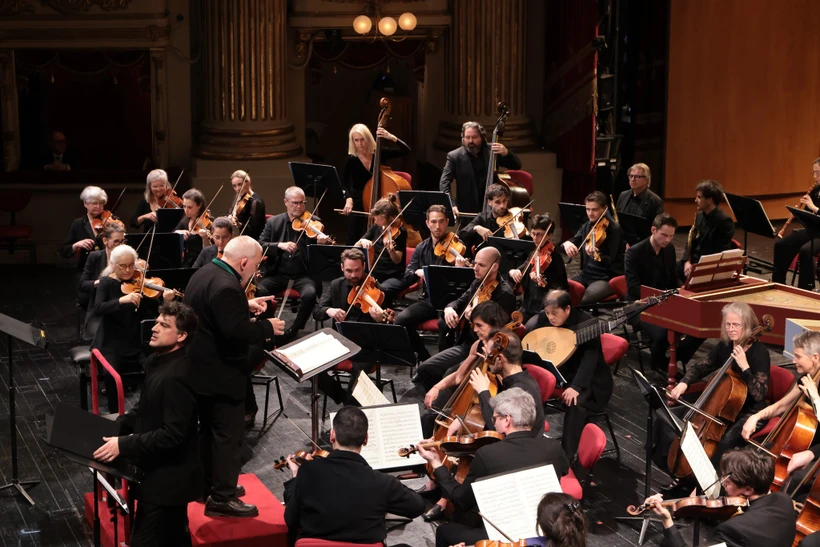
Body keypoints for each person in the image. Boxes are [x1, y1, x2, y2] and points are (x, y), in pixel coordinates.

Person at [183, 236, 286, 518]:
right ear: (243, 262)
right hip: (221, 372)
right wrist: (268, 327)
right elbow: (235, 332)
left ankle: (208, 486)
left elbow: (216, 313)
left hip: (199, 368)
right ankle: (223, 497)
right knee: (228, 435)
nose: (255, 272)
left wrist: (245, 306)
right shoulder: (228, 285)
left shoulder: (205, 272)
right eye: (254, 266)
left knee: (208, 432)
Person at [93, 302, 201, 547]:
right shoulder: (158, 361)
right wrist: (114, 428)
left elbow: (174, 434)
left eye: (164, 325)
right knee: (174, 538)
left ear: (182, 336)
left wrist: (124, 444)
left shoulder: (178, 376)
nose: (154, 328)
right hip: (156, 474)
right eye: (157, 322)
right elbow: (145, 408)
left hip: (167, 482)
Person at [421, 330, 548, 523]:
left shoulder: (520, 389)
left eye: (490, 356)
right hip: (511, 441)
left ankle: (455, 498)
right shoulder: (514, 380)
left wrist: (482, 391)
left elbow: (497, 428)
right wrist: (462, 418)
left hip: (518, 453)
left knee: (479, 455)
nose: (487, 361)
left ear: (501, 359)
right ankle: (445, 493)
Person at [417, 387, 569, 547]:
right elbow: (563, 471)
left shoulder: (488, 454)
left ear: (507, 420)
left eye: (495, 418)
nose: (493, 423)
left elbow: (461, 500)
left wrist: (435, 462)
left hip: (504, 535)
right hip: (544, 528)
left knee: (445, 530)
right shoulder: (554, 447)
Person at [283, 406, 425, 545]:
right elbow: (417, 506)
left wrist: (296, 478)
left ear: (332, 435)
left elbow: (291, 520)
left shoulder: (308, 471)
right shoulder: (383, 482)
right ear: (366, 439)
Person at [667, 303, 769, 462]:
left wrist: (745, 367)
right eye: (728, 324)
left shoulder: (760, 353)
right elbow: (702, 366)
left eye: (736, 325)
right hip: (722, 406)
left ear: (748, 326)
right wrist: (683, 383)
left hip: (748, 411)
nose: (731, 329)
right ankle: (682, 471)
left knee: (725, 442)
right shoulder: (726, 345)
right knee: (675, 418)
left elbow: (759, 395)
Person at [645, 447, 795, 547]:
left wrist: (666, 520)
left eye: (727, 483)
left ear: (748, 489)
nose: (723, 485)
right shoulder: (785, 500)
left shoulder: (734, 530)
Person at [91, 245, 175, 413]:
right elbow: (98, 308)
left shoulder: (141, 283)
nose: (129, 270)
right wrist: (121, 301)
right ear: (113, 265)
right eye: (123, 266)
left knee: (156, 372)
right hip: (111, 340)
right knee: (111, 376)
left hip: (136, 340)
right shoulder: (106, 283)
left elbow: (155, 310)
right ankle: (116, 413)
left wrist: (167, 302)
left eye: (132, 265)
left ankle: (149, 410)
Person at [529, 290, 612, 458]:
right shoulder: (544, 318)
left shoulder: (587, 323)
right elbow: (537, 341)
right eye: (547, 312)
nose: (550, 317)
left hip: (589, 380)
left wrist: (576, 386)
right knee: (528, 386)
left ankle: (566, 456)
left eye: (555, 313)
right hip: (560, 372)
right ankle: (528, 443)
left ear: (567, 309)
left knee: (575, 402)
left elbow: (590, 359)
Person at [424, 247, 515, 388]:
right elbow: (460, 301)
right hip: (466, 345)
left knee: (449, 375)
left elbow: (496, 331)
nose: (475, 268)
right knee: (426, 368)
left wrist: (474, 318)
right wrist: (449, 308)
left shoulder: (504, 294)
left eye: (482, 265)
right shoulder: (478, 283)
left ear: (495, 266)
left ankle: (444, 403)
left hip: (482, 351)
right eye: (475, 263)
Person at [312, 248, 390, 405]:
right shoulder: (336, 285)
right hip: (340, 342)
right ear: (342, 268)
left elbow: (390, 324)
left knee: (359, 371)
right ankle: (341, 396)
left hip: (367, 346)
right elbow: (317, 311)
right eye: (349, 271)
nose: (354, 275)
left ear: (364, 267)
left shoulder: (378, 289)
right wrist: (330, 310)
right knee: (312, 366)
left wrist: (379, 319)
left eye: (357, 270)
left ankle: (348, 409)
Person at [419, 301, 512, 431]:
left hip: (495, 413)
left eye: (479, 325)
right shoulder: (478, 344)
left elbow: (510, 385)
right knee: (428, 419)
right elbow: (458, 376)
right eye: (474, 325)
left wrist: (493, 366)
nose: (474, 329)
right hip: (471, 406)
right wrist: (436, 387)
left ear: (493, 324)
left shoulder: (505, 350)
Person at [624, 213, 696, 374]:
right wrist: (659, 296)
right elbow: (634, 287)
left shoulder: (668, 249)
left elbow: (672, 278)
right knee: (666, 332)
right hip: (638, 305)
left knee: (695, 327)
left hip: (663, 301)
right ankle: (658, 362)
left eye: (671, 236)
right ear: (653, 230)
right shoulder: (634, 252)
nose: (667, 240)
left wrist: (683, 289)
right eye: (664, 235)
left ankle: (672, 359)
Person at [258, 186, 328, 340]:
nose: (299, 207)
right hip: (278, 274)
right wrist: (279, 246)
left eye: (302, 203)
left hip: (303, 275)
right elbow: (260, 246)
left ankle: (294, 329)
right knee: (260, 290)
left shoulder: (314, 223)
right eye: (295, 203)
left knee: (310, 294)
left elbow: (323, 256)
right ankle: (270, 324)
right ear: (286, 202)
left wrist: (322, 244)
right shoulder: (274, 222)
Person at [742, 330, 820, 467]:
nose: (793, 360)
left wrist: (815, 397)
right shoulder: (806, 379)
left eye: (798, 356)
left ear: (815, 357)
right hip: (795, 443)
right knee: (749, 457)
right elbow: (781, 406)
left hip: (814, 451)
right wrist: (756, 417)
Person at [393, 204, 455, 362]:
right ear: (427, 223)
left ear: (447, 222)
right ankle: (425, 359)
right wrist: (418, 272)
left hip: (451, 301)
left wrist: (460, 266)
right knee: (399, 322)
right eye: (433, 222)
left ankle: (443, 366)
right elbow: (407, 276)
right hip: (430, 300)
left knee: (445, 324)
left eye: (441, 221)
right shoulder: (421, 248)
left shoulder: (458, 247)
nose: (438, 226)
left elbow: (468, 278)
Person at [340, 124, 410, 245]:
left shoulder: (379, 153)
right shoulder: (351, 159)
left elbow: (406, 151)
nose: (360, 143)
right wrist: (348, 199)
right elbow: (343, 183)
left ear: (368, 138)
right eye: (356, 140)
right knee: (352, 238)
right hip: (358, 202)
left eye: (362, 139)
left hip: (380, 202)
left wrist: (391, 137)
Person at [440, 121, 522, 217]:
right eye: (467, 137)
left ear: (482, 137)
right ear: (463, 138)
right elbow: (444, 182)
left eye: (474, 137)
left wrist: (506, 153)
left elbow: (517, 165)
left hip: (493, 210)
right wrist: (451, 205)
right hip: (467, 210)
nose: (470, 141)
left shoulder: (493, 150)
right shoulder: (454, 156)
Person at [561, 191, 625, 304]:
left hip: (606, 277)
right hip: (586, 274)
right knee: (561, 293)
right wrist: (567, 243)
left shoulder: (614, 229)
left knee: (582, 300)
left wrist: (597, 255)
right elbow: (573, 241)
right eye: (588, 209)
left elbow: (610, 261)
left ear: (605, 209)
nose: (590, 213)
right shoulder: (587, 225)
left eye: (594, 210)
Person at [508, 213, 568, 329]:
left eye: (539, 235)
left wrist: (543, 283)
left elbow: (561, 289)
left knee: (527, 330)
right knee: (510, 327)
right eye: (533, 234)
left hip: (543, 309)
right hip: (528, 306)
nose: (535, 238)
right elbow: (522, 269)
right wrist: (513, 271)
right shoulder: (534, 252)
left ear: (549, 235)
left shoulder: (555, 258)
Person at [772, 158, 820, 290]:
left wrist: (813, 207)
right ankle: (778, 283)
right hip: (813, 230)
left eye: (818, 173)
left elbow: (815, 210)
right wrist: (798, 213)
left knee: (806, 251)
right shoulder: (816, 190)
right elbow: (808, 216)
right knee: (781, 244)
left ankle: (805, 288)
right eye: (814, 173)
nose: (815, 177)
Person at [354, 193, 408, 305]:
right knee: (352, 286)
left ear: (391, 218)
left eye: (380, 219)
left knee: (379, 291)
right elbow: (355, 246)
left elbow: (397, 260)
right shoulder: (376, 227)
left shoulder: (400, 232)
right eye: (375, 217)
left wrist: (391, 250)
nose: (376, 220)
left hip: (394, 276)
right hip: (375, 273)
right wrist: (362, 241)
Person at [679, 179, 735, 281]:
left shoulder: (724, 222)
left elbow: (719, 253)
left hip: (707, 267)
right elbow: (690, 242)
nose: (696, 200)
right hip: (692, 263)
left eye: (699, 197)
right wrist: (686, 261)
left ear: (709, 200)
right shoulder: (699, 216)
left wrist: (696, 268)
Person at [79, 221, 126, 337]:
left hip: (121, 307)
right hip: (98, 308)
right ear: (105, 241)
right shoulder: (95, 257)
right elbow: (83, 285)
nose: (120, 245)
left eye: (122, 241)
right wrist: (101, 282)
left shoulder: (127, 257)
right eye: (116, 242)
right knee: (102, 334)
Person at [458, 183, 528, 253]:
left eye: (504, 201)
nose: (502, 206)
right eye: (498, 202)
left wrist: (517, 241)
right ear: (489, 202)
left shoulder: (514, 217)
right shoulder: (482, 218)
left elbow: (527, 243)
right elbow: (462, 235)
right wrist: (477, 228)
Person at [59, 185, 108, 271]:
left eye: (101, 203)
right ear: (85, 204)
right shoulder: (78, 223)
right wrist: (76, 245)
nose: (98, 206)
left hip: (107, 266)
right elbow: (64, 250)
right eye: (94, 203)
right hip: (85, 268)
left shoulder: (111, 221)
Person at [615, 163, 664, 246]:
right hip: (622, 242)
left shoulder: (655, 201)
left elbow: (656, 229)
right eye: (631, 176)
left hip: (642, 244)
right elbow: (617, 220)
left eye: (637, 177)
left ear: (646, 179)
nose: (633, 179)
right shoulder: (623, 195)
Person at [174, 188, 211, 268]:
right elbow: (171, 236)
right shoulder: (184, 222)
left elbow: (210, 249)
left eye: (190, 207)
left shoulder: (209, 222)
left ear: (199, 205)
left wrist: (205, 238)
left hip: (203, 263)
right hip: (187, 263)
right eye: (184, 206)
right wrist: (178, 233)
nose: (186, 210)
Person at [227, 170, 266, 240]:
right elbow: (231, 211)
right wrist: (230, 216)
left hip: (255, 240)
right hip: (243, 237)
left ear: (248, 182)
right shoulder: (240, 197)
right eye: (234, 186)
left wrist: (239, 224)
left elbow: (254, 230)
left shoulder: (256, 202)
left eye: (240, 184)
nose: (237, 189)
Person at [132, 169, 173, 233]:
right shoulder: (145, 201)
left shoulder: (172, 200)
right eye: (155, 186)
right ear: (149, 187)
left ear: (166, 185)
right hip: (149, 240)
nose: (158, 189)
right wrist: (145, 216)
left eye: (162, 185)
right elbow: (133, 223)